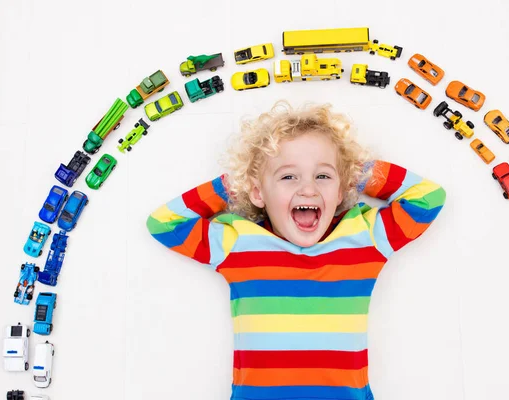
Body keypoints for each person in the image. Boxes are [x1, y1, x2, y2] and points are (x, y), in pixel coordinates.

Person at [146, 101, 446, 400]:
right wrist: (233, 185)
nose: (308, 189)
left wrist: (356, 172)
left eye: (323, 176)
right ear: (258, 193)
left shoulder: (363, 237)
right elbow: (164, 223)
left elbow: (428, 199)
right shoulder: (238, 243)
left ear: (340, 190)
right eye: (288, 176)